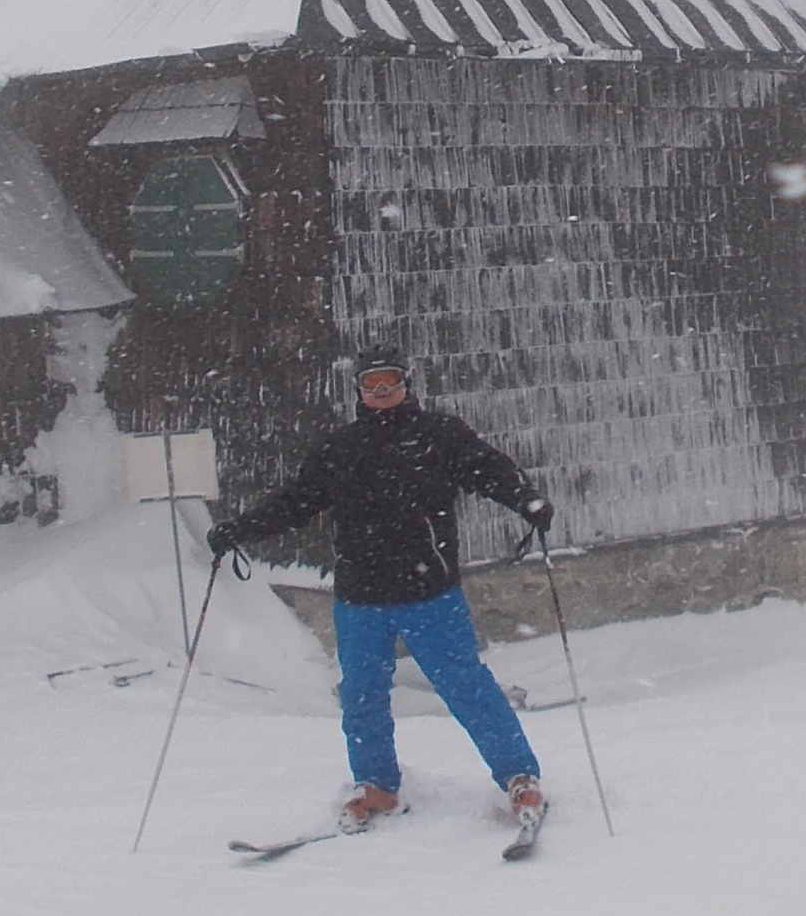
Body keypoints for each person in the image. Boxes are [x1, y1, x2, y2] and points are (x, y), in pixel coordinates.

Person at [209, 350, 551, 836]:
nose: (381, 392)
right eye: (371, 384)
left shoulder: (440, 437)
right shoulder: (341, 450)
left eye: (389, 381)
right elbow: (296, 502)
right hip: (360, 599)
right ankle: (376, 785)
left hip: (429, 593)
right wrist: (240, 529)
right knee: (362, 695)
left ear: (407, 385)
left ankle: (519, 777)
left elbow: (489, 470)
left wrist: (526, 500)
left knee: (466, 686)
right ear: (359, 392)